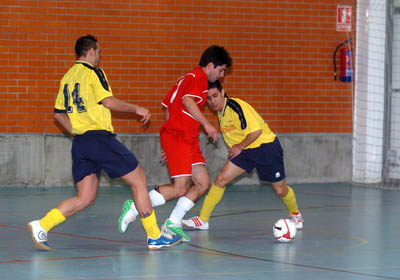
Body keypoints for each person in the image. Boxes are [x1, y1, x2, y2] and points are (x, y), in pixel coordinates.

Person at [26, 34, 182, 251]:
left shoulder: (67, 78)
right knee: (138, 179)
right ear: (91, 52)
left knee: (85, 197)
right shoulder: (93, 72)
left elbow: (58, 115)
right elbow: (108, 101)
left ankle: (42, 225)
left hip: (81, 143)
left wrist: (78, 130)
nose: (99, 56)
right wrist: (137, 109)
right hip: (99, 139)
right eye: (98, 52)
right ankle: (154, 236)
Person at [118, 45, 232, 242]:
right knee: (180, 188)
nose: (221, 75)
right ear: (211, 65)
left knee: (203, 183)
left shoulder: (185, 78)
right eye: (221, 70)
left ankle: (173, 222)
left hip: (185, 137)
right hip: (179, 136)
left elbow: (169, 107)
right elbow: (188, 101)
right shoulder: (198, 79)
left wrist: (168, 139)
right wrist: (206, 125)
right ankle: (135, 206)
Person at [182, 80, 304, 231]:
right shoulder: (221, 112)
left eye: (215, 96)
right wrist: (240, 148)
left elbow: (256, 131)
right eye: (208, 98)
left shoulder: (236, 106)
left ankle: (296, 214)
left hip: (265, 147)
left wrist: (239, 146)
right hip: (245, 150)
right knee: (221, 179)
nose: (212, 101)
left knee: (280, 190)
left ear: (223, 92)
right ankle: (203, 220)